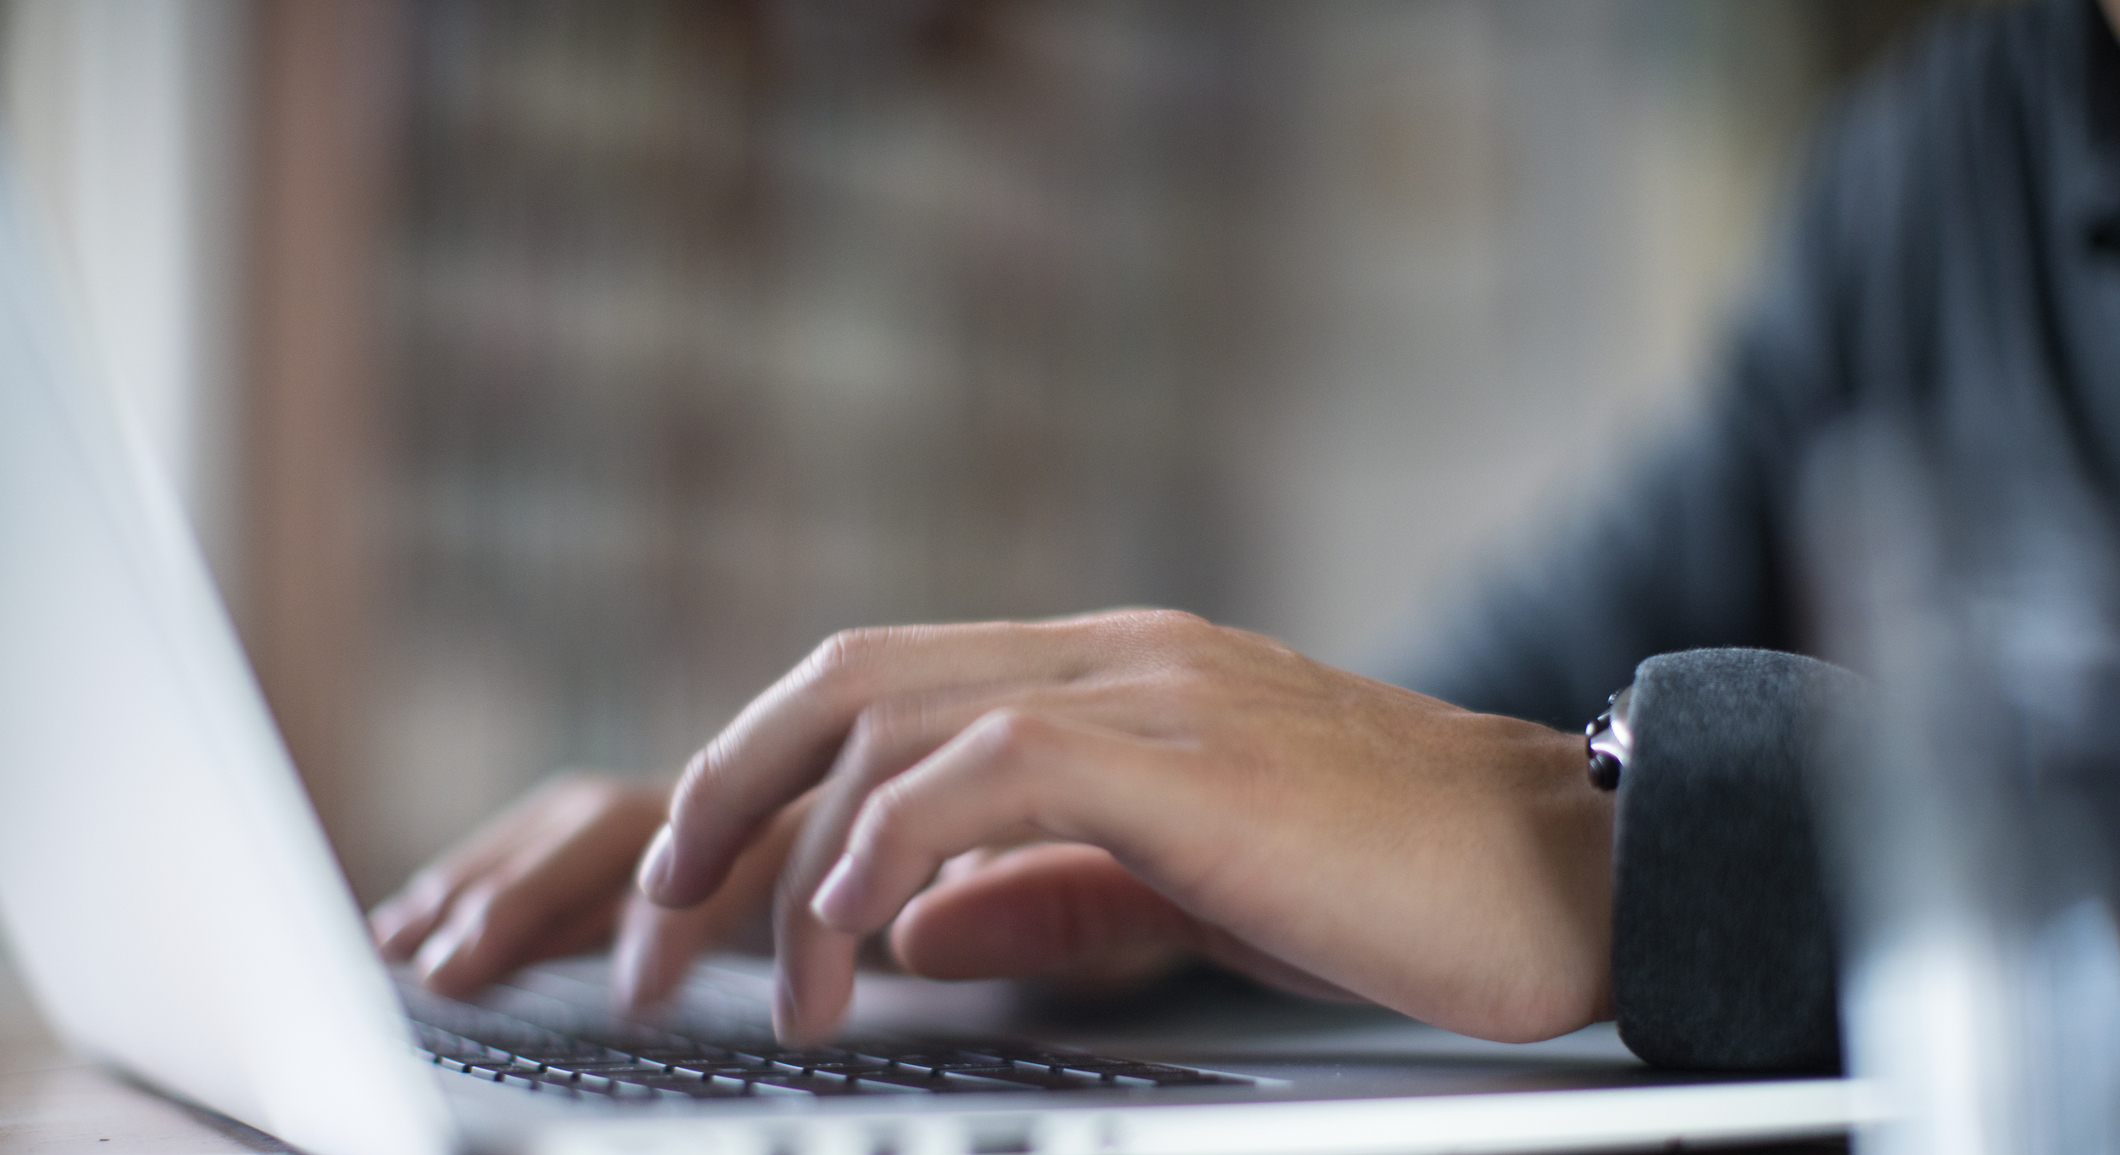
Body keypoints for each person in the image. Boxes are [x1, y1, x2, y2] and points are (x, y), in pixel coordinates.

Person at [371, 0, 2120, 1072]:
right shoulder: (1942, 166)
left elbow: (1545, 806)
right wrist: (1046, 835)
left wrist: (1630, 846)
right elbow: (1445, 751)